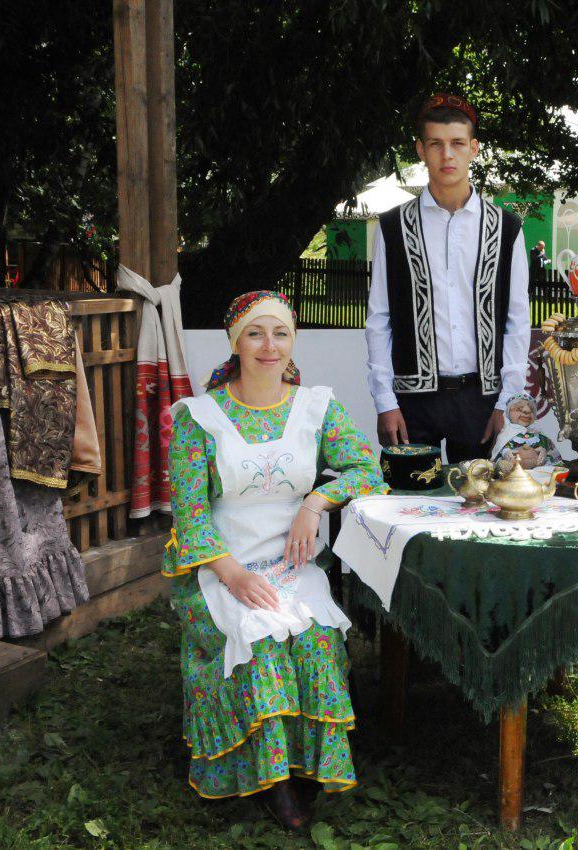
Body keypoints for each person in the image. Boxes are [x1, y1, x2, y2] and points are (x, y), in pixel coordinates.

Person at [164, 291, 388, 831]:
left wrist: (315, 502)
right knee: (259, 639)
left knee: (313, 640)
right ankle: (275, 783)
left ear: (293, 342)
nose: (270, 346)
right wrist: (231, 573)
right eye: (256, 334)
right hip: (220, 566)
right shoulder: (199, 417)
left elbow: (367, 471)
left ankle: (307, 764)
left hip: (292, 565)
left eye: (281, 333)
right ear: (235, 343)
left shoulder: (316, 407)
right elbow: (189, 515)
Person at [365, 92, 530, 463]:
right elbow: (379, 319)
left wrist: (508, 401)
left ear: (474, 148)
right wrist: (384, 401)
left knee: (480, 514)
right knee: (407, 507)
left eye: (457, 143)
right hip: (411, 402)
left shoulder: (505, 227)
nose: (447, 155)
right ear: (420, 150)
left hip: (482, 401)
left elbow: (517, 321)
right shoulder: (393, 227)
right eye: (436, 144)